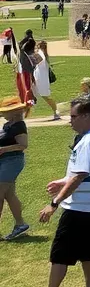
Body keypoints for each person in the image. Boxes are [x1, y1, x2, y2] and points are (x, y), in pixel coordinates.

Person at [14, 97, 90, 287]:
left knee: (60, 255)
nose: (70, 121)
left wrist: (54, 203)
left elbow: (79, 176)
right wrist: (63, 181)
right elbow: (87, 173)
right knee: (88, 252)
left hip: (77, 208)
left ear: (86, 116)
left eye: (74, 117)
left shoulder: (88, 141)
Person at [0, 96, 29, 240]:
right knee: (9, 194)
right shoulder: (9, 124)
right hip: (6, 162)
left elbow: (23, 145)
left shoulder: (19, 126)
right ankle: (20, 224)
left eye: (5, 111)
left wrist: (4, 149)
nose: (2, 114)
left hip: (12, 162)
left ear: (13, 112)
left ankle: (19, 224)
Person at [32, 41, 60, 120]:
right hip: (41, 80)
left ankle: (21, 116)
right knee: (44, 97)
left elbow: (32, 61)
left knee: (32, 96)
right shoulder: (44, 55)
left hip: (39, 80)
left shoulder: (40, 54)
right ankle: (56, 111)